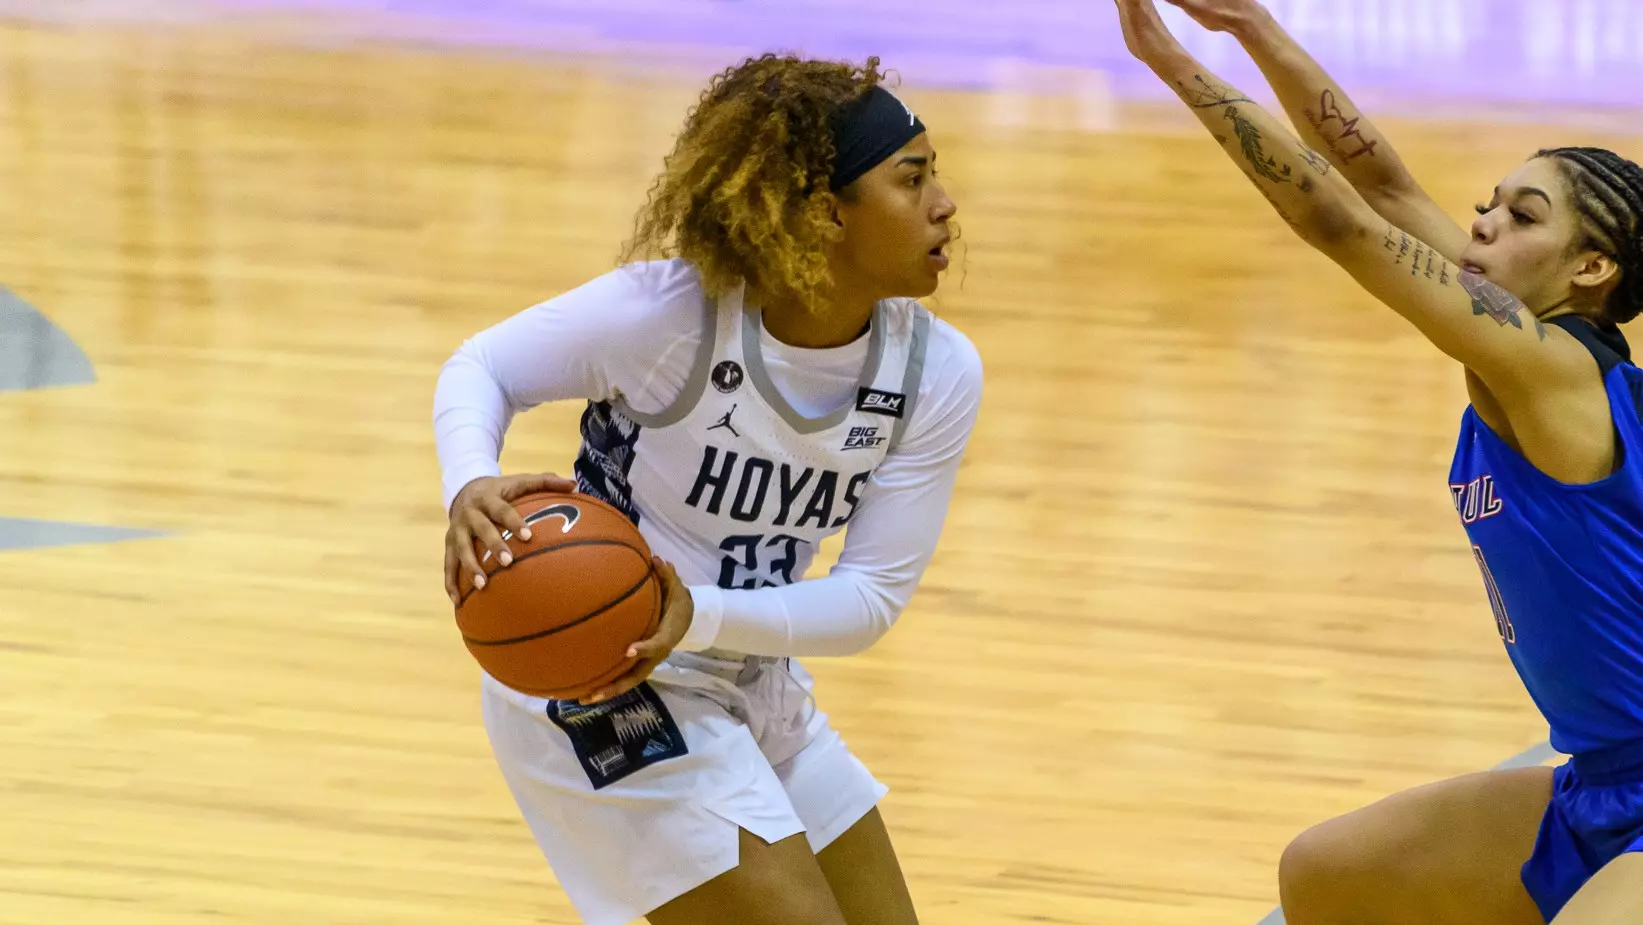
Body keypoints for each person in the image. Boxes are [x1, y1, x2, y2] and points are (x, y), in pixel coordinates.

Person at [1112, 0, 1643, 921]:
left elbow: (1339, 222)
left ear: (1590, 270)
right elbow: (1381, 187)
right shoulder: (1521, 335)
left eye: (1520, 216)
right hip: (1598, 776)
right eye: (1486, 204)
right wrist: (1249, 25)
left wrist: (1172, 62)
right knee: (1325, 874)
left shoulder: (1549, 368)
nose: (1478, 225)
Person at [432, 53, 981, 925]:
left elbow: (872, 598)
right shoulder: (671, 317)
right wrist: (469, 482)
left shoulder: (936, 371)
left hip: (747, 670)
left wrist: (702, 615)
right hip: (602, 682)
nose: (945, 204)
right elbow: (483, 366)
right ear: (820, 212)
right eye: (910, 180)